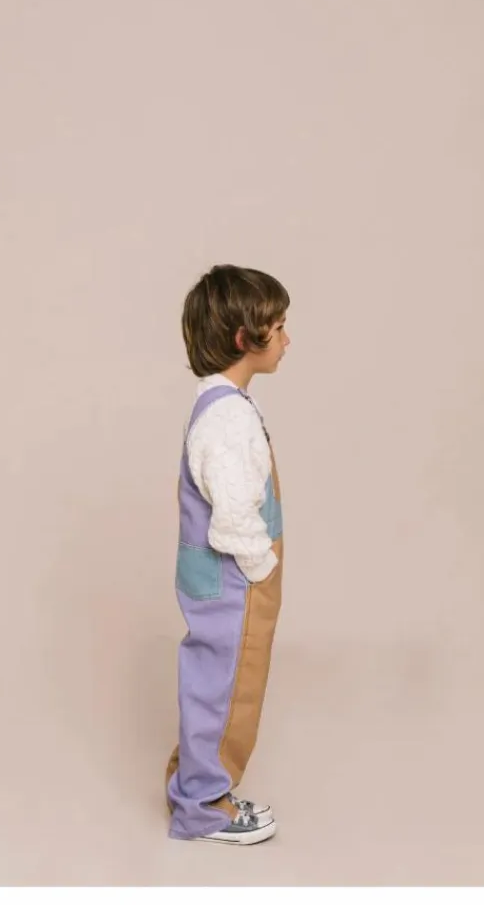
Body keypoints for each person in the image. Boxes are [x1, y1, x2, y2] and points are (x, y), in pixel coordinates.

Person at [164, 264, 291, 845]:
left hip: (219, 580)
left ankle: (191, 784)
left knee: (211, 682)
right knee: (229, 689)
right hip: (235, 580)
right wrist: (262, 568)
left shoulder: (221, 404)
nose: (287, 339)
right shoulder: (227, 420)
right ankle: (204, 807)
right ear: (245, 338)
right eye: (279, 327)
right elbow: (235, 514)